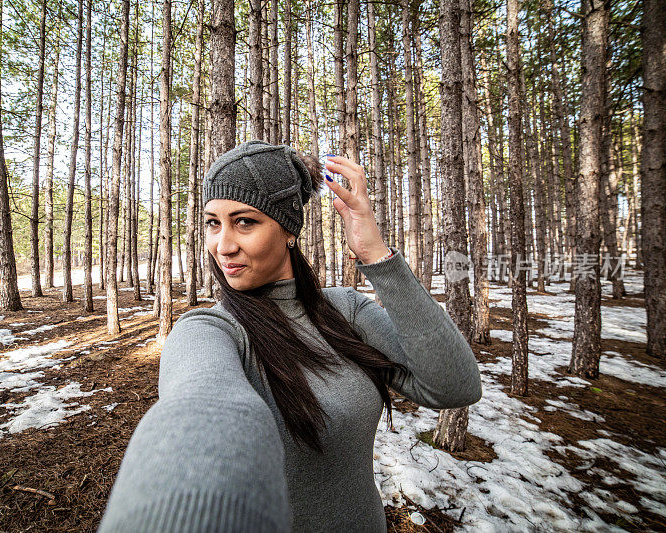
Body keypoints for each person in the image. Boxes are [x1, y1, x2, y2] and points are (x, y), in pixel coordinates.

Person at [97, 140, 482, 533]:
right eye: (213, 222)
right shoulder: (210, 330)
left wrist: (377, 256)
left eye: (244, 221)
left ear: (288, 230)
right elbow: (202, 410)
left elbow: (454, 386)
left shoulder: (345, 311)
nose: (223, 246)